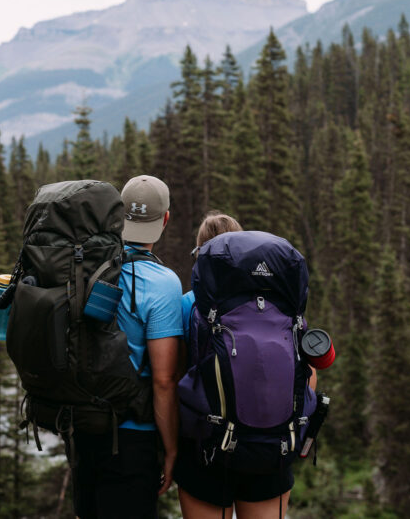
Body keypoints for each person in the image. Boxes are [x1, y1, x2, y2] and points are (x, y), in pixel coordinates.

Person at [175, 211, 314, 519]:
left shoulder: (189, 305)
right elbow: (308, 375)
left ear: (201, 257)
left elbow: (172, 378)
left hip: (207, 452)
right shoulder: (283, 311)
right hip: (271, 451)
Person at [71, 175, 183, 519]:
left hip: (82, 426)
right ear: (164, 219)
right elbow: (163, 380)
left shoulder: (84, 266)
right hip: (133, 436)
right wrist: (171, 447)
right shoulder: (163, 284)